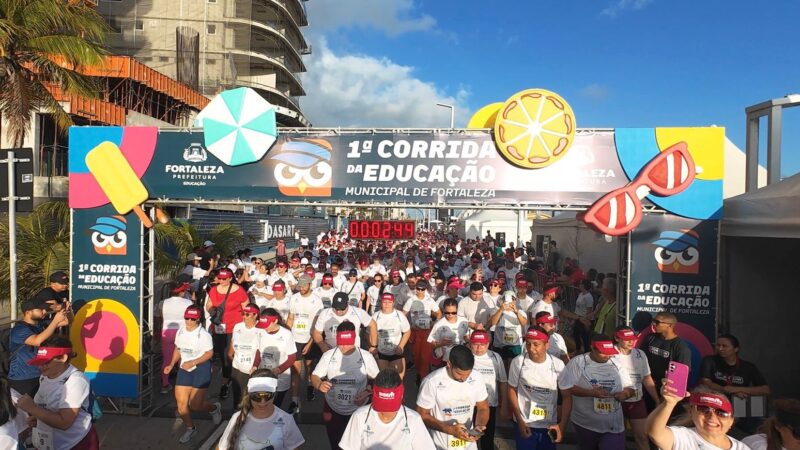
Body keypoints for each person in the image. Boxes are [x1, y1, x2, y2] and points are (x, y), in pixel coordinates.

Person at [16, 336, 98, 450]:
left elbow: (64, 423)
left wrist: (32, 408)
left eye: (46, 362)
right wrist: (37, 418)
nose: (41, 366)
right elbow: (47, 407)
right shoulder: (45, 377)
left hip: (76, 443)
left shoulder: (76, 381)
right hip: (52, 444)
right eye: (39, 362)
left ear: (63, 358)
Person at [559, 334, 636, 450]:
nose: (607, 356)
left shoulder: (616, 364)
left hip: (613, 424)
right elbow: (567, 388)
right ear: (592, 348)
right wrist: (590, 393)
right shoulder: (578, 363)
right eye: (602, 352)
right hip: (585, 423)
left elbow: (630, 388)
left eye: (609, 352)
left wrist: (624, 394)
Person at [311, 321, 380, 450]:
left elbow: (378, 380)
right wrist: (319, 384)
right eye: (341, 343)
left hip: (358, 411)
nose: (345, 347)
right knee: (336, 443)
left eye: (348, 342)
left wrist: (368, 391)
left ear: (354, 339)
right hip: (333, 408)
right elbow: (315, 376)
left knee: (359, 444)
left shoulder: (365, 357)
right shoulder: (329, 356)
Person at [165, 305, 222, 443]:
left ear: (198, 319)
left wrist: (193, 362)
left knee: (195, 405)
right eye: (187, 318)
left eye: (192, 319)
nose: (189, 321)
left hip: (201, 368)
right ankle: (191, 428)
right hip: (185, 369)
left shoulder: (204, 335)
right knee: (181, 405)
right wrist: (171, 364)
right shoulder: (181, 331)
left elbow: (209, 353)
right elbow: (178, 349)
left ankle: (214, 408)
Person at [339, 367, 435, 450]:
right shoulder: (360, 416)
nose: (386, 412)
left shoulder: (413, 420)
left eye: (391, 406)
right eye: (382, 405)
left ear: (402, 395)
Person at [416, 344, 490, 450]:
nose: (464, 378)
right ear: (449, 364)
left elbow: (483, 407)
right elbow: (422, 414)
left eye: (467, 374)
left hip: (468, 444)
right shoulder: (431, 382)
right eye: (459, 374)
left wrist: (479, 426)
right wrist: (450, 430)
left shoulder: (477, 378)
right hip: (440, 444)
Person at [508, 326, 570, 450]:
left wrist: (562, 425)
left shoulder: (557, 364)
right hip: (525, 422)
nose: (531, 349)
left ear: (546, 345)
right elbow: (511, 390)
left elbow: (567, 396)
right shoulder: (518, 362)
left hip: (548, 424)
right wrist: (519, 420)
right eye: (528, 344)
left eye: (536, 344)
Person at [217, 370, 305, 450]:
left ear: (275, 392)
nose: (262, 402)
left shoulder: (286, 420)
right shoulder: (237, 417)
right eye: (256, 396)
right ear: (249, 394)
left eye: (268, 395)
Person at [647, 387, 750, 450]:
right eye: (704, 409)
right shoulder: (683, 437)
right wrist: (669, 403)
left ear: (731, 421)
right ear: (691, 412)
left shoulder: (742, 448)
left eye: (721, 413)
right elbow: (654, 432)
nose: (712, 416)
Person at [8, 297, 68, 396]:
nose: (44, 311)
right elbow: (37, 341)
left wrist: (66, 310)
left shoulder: (40, 325)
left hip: (40, 375)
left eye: (44, 309)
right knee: (23, 409)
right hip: (23, 379)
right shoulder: (19, 329)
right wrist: (54, 321)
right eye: (40, 309)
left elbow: (66, 321)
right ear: (28, 312)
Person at [205, 268, 249, 400]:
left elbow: (246, 308)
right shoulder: (214, 290)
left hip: (234, 328)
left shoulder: (239, 290)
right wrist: (213, 311)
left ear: (230, 278)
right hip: (219, 327)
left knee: (227, 355)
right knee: (221, 353)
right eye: (220, 278)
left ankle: (227, 381)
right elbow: (209, 305)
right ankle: (229, 376)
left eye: (224, 278)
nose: (221, 281)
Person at [612, 327, 659, 450]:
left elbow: (647, 378)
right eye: (626, 339)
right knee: (617, 438)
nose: (631, 342)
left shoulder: (640, 354)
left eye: (632, 339)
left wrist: (657, 400)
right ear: (617, 338)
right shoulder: (609, 354)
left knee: (642, 436)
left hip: (637, 401)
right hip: (616, 402)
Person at [286, 274, 324, 414]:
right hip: (295, 338)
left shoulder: (317, 301)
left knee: (308, 367)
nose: (301, 288)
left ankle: (310, 385)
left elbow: (317, 325)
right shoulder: (294, 298)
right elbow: (290, 318)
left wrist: (310, 343)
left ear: (310, 285)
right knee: (295, 371)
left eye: (303, 285)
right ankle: (294, 400)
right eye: (299, 286)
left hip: (310, 340)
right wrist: (287, 336)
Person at [638, 312, 692, 411]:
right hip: (646, 386)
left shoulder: (680, 347)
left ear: (669, 325)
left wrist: (663, 399)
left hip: (665, 390)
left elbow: (681, 375)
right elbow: (639, 359)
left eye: (657, 322)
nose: (653, 324)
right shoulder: (650, 338)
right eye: (653, 321)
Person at [468, 330, 508, 450]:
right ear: (470, 344)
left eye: (482, 344)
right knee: (469, 438)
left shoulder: (495, 357)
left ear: (488, 344)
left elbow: (503, 382)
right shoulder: (466, 356)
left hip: (489, 406)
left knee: (487, 438)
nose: (479, 348)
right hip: (468, 406)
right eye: (475, 344)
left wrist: (504, 405)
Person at [700, 333, 770, 401]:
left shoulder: (748, 367)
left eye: (724, 346)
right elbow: (706, 382)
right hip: (714, 401)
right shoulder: (709, 361)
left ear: (736, 349)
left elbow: (765, 390)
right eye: (718, 345)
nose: (720, 349)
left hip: (739, 403)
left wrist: (736, 389)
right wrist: (725, 390)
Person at [156, 280, 194, 394]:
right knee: (183, 359)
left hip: (166, 332)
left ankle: (165, 385)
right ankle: (183, 384)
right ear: (182, 292)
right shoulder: (188, 303)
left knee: (167, 360)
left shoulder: (162, 303)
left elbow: (158, 317)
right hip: (183, 333)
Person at [256, 308, 296, 410]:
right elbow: (258, 351)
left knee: (276, 406)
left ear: (275, 321)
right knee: (264, 404)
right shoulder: (261, 332)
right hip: (264, 375)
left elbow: (292, 357)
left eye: (267, 325)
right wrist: (254, 366)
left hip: (280, 377)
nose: (264, 328)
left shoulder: (287, 334)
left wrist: (279, 369)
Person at [228, 303, 266, 408]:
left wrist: (255, 367)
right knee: (237, 398)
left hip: (252, 371)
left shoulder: (261, 329)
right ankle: (237, 419)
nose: (244, 317)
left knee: (249, 399)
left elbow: (261, 350)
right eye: (243, 314)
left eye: (247, 314)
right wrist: (230, 356)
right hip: (236, 368)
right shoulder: (238, 326)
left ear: (255, 315)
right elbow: (233, 342)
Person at [403, 280, 441, 382]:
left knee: (425, 355)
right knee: (416, 354)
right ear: (416, 289)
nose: (420, 291)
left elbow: (438, 313)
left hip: (426, 332)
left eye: (422, 289)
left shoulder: (430, 300)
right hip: (415, 331)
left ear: (425, 289)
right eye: (418, 289)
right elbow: (403, 315)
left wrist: (434, 323)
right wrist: (408, 327)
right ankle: (420, 371)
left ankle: (423, 377)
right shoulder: (410, 300)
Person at [314, 292, 378, 352]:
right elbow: (317, 332)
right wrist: (322, 345)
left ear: (347, 304)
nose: (338, 311)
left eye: (342, 309)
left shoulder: (358, 312)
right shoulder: (325, 313)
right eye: (336, 308)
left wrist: (373, 346)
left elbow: (373, 324)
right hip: (331, 353)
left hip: (353, 353)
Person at [372, 293, 412, 379]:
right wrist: (373, 346)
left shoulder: (400, 315)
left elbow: (407, 331)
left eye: (389, 302)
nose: (387, 304)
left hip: (396, 352)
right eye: (384, 302)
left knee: (398, 379)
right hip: (381, 352)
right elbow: (368, 333)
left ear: (393, 303)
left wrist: (401, 346)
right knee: (384, 379)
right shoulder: (375, 316)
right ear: (381, 302)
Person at [488, 289, 529, 370]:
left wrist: (516, 312)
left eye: (513, 299)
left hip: (515, 344)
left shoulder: (520, 312)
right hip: (499, 345)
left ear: (515, 300)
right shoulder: (496, 310)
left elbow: (524, 323)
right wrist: (501, 309)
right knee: (501, 368)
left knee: (512, 367)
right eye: (505, 300)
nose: (510, 302)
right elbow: (493, 322)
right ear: (502, 300)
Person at [428, 298, 470, 366]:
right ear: (443, 310)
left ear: (457, 310)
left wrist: (468, 343)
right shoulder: (438, 324)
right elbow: (431, 344)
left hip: (460, 358)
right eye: (447, 313)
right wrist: (441, 344)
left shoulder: (464, 321)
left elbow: (466, 336)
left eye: (453, 313)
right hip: (444, 360)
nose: (450, 315)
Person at [573, 279, 595, 354]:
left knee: (585, 337)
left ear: (583, 285)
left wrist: (586, 322)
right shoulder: (581, 294)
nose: (579, 285)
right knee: (576, 334)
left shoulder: (589, 297)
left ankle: (586, 352)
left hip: (584, 319)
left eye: (580, 284)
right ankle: (578, 349)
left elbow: (589, 310)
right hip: (578, 317)